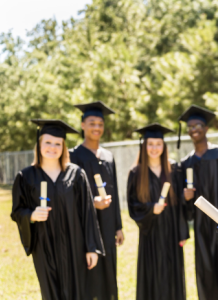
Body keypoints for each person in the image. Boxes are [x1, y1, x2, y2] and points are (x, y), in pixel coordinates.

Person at [11, 119, 104, 300]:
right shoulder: (26, 176)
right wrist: (31, 216)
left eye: (57, 144)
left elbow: (88, 213)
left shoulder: (76, 174)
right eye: (48, 142)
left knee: (78, 292)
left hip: (74, 245)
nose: (52, 147)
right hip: (44, 246)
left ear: (63, 147)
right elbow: (17, 211)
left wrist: (92, 248)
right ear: (39, 144)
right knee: (51, 293)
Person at [177, 105, 218, 300]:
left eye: (197, 125)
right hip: (200, 227)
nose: (193, 129)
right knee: (205, 273)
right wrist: (185, 198)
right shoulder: (186, 163)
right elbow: (186, 209)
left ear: (206, 128)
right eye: (189, 126)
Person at [127, 123, 189, 300]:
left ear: (164, 146)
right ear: (144, 146)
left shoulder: (174, 170)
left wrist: (182, 232)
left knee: (172, 274)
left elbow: (179, 206)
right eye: (150, 144)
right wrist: (150, 209)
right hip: (150, 233)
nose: (154, 148)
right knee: (152, 274)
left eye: (158, 144)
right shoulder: (136, 172)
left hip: (171, 232)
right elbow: (132, 205)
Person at [69, 101, 123, 300]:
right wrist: (92, 202)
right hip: (85, 225)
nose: (97, 127)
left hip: (108, 223)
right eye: (92, 123)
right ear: (82, 125)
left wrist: (118, 226)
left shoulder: (108, 156)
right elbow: (70, 194)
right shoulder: (73, 156)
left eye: (100, 123)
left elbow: (115, 193)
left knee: (109, 269)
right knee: (90, 272)